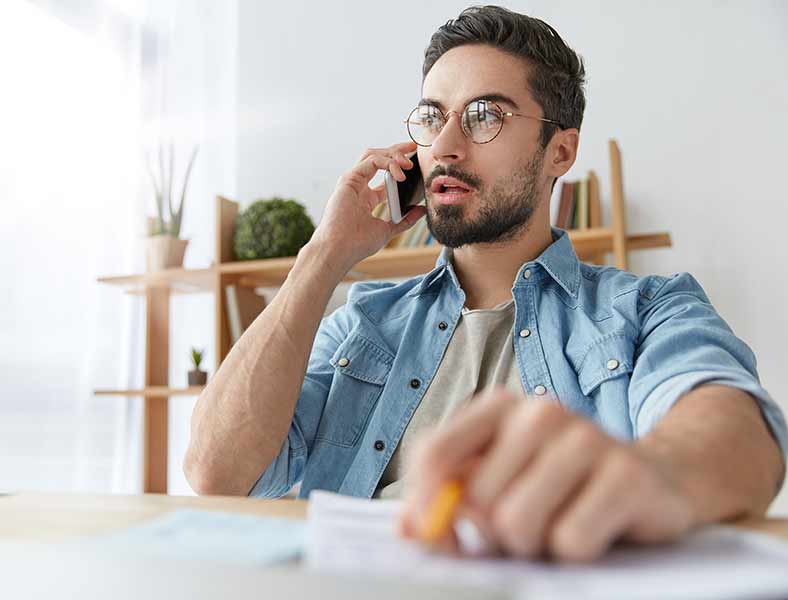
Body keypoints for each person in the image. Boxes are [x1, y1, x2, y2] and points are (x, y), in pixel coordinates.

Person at [184, 5, 787, 562]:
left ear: (560, 151)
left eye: (485, 117)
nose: (443, 147)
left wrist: (651, 476)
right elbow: (215, 473)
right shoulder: (361, 323)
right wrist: (323, 256)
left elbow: (741, 438)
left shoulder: (648, 310)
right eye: (432, 118)